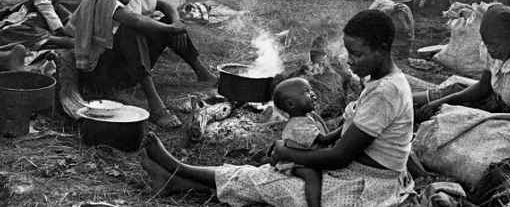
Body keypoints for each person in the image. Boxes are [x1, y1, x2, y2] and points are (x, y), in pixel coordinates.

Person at [139, 10, 414, 206]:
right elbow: (347, 135)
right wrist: (311, 145)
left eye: (357, 53)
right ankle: (177, 179)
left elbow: (340, 156)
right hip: (355, 172)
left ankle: (177, 168)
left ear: (382, 49)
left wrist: (287, 151)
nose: (349, 60)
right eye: (348, 52)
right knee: (267, 177)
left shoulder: (386, 92)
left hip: (366, 186)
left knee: (270, 182)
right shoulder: (380, 82)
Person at [70, 0, 216, 128]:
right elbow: (135, 20)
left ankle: (202, 72)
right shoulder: (103, 1)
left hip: (127, 69)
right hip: (103, 74)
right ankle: (156, 107)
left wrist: (175, 23)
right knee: (132, 30)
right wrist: (173, 29)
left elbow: (165, 5)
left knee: (166, 21)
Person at [416, 5, 510, 120]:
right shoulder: (491, 50)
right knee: (453, 93)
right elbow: (483, 87)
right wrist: (442, 102)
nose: (490, 50)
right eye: (487, 44)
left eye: (495, 45)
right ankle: (412, 102)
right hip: (498, 106)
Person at [272, 78, 328, 207]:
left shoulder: (310, 116)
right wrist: (344, 127)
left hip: (305, 154)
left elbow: (324, 133)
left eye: (311, 90)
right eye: (306, 91)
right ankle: (314, 204)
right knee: (312, 175)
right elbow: (324, 139)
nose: (313, 94)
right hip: (295, 162)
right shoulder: (299, 124)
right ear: (291, 104)